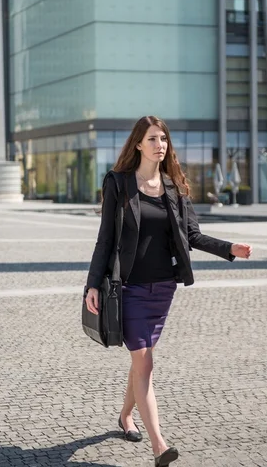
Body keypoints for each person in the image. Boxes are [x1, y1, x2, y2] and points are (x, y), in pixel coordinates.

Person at [85, 116, 252, 467]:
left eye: (163, 139)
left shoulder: (173, 187)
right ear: (138, 145)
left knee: (140, 361)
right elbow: (105, 239)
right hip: (126, 288)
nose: (160, 144)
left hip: (162, 288)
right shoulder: (118, 184)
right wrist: (91, 285)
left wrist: (229, 248)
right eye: (152, 138)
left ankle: (125, 416)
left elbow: (192, 236)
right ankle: (160, 446)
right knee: (144, 360)